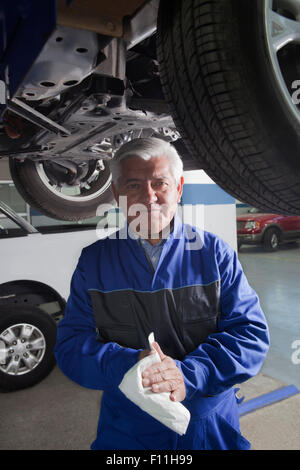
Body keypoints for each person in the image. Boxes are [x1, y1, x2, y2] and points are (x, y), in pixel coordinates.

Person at [54, 137, 270, 450]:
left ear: (179, 188)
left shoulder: (214, 254)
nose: (149, 197)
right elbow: (71, 347)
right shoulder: (94, 262)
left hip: (208, 426)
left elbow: (250, 335)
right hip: (128, 429)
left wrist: (190, 374)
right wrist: (129, 365)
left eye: (160, 183)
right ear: (116, 194)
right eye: (133, 186)